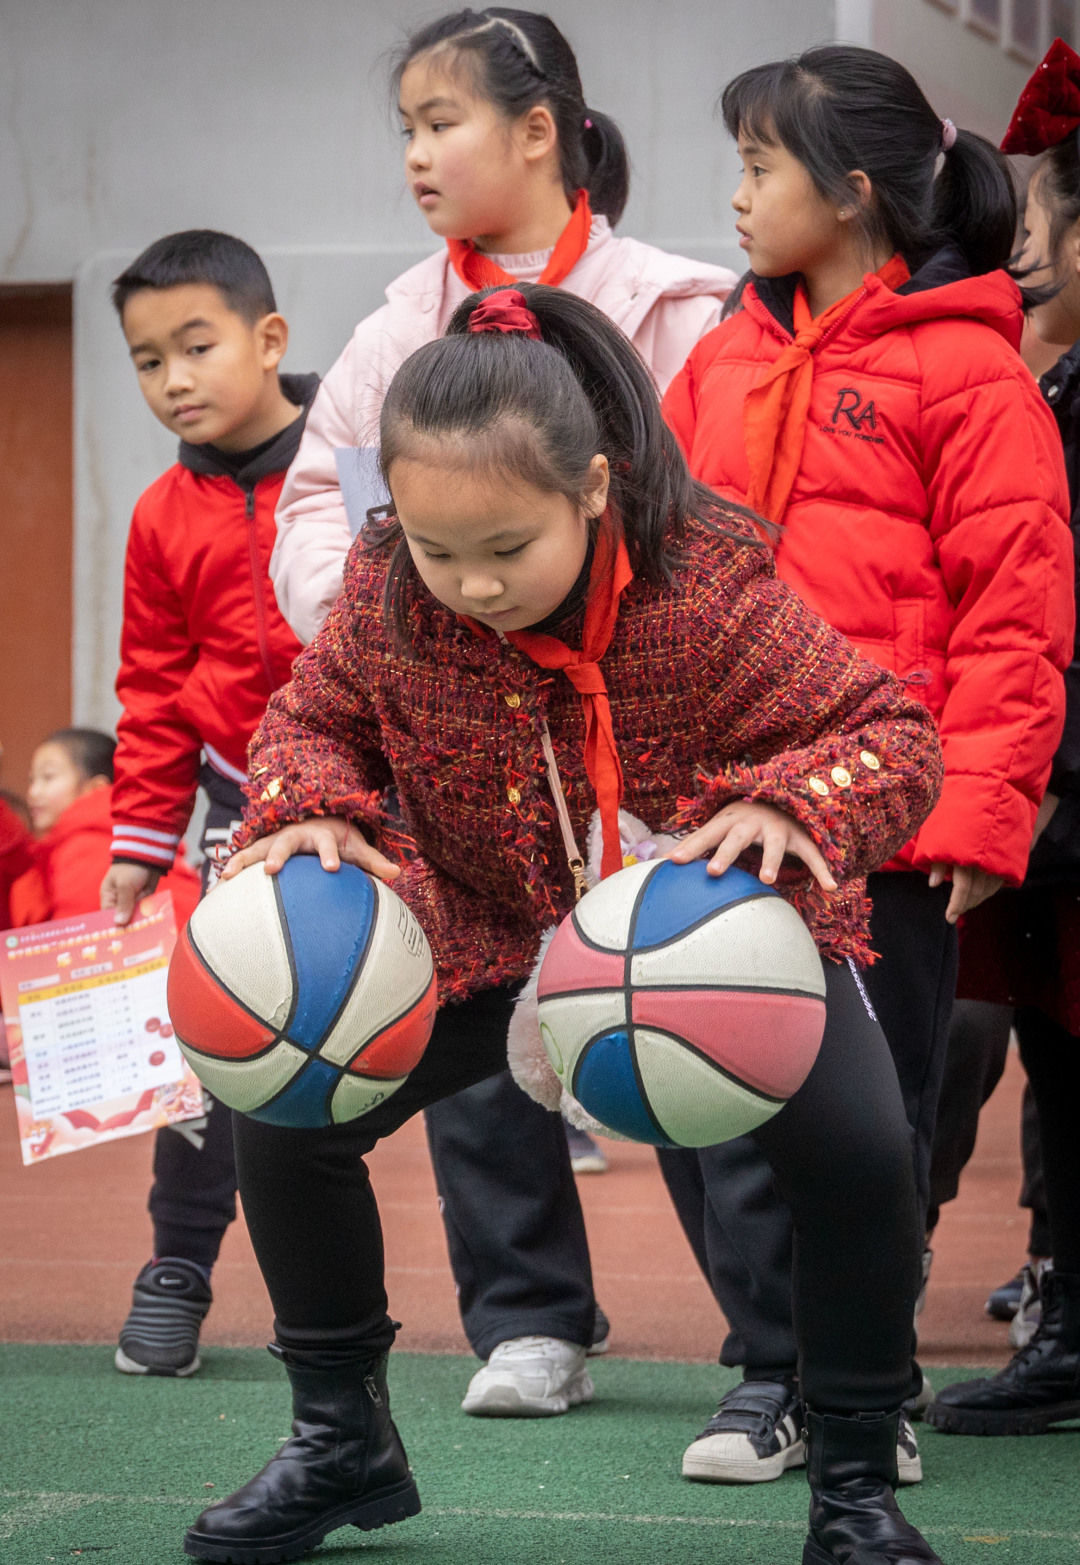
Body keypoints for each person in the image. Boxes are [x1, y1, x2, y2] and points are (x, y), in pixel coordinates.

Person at [182, 280, 946, 1565]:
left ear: (593, 490)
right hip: (491, 922)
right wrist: (309, 803)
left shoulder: (706, 590)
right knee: (282, 1110)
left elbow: (892, 733)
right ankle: (340, 1436)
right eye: (436, 546)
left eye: (505, 546)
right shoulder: (386, 591)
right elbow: (307, 718)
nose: (470, 581)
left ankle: (858, 1481)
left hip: (718, 927)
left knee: (864, 1154)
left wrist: (789, 805)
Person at [272, 7, 736, 1417]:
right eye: (405, 127)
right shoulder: (392, 328)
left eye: (440, 120)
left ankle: (770, 1342)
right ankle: (530, 1320)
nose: (416, 152)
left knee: (693, 1010)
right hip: (461, 746)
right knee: (469, 999)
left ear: (541, 131)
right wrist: (392, 631)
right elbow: (313, 505)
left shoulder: (689, 303)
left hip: (644, 743)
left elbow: (724, 522)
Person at [659, 43, 1073, 1488]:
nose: (737, 193)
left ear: (850, 191)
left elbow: (1018, 615)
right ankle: (768, 1369)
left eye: (760, 165)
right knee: (705, 1092)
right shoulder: (719, 355)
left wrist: (981, 809)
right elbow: (660, 574)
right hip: (719, 813)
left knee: (866, 1119)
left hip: (886, 823)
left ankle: (857, 1385)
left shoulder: (970, 370)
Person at [99, 230, 319, 1378]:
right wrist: (139, 839)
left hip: (389, 802)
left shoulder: (356, 463)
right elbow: (151, 687)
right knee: (218, 1042)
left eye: (196, 345)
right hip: (243, 810)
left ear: (267, 337)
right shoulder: (156, 516)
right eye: (147, 360)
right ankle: (178, 1265)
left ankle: (533, 1305)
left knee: (475, 1062)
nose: (173, 379)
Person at [926, 34, 1080, 1438]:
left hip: (1070, 798)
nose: (1021, 251)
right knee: (1051, 1049)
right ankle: (1063, 1305)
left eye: (1041, 221)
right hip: (1056, 802)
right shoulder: (1053, 386)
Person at [9, 727, 199, 927]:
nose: (33, 792)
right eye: (32, 779)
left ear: (95, 788)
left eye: (48, 777)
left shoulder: (88, 845)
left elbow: (73, 940)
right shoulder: (107, 838)